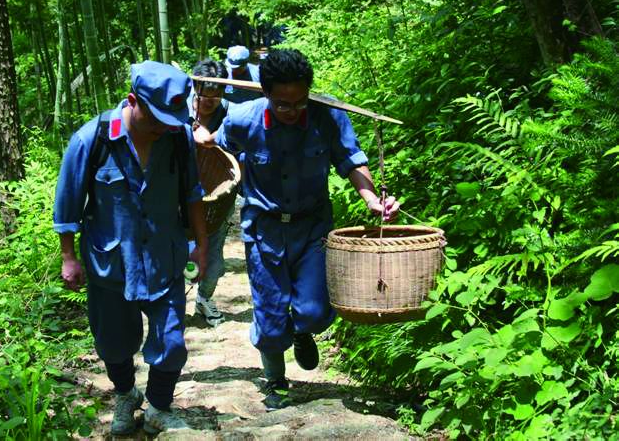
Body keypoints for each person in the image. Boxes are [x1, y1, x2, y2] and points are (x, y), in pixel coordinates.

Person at [193, 49, 400, 411]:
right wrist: (202, 142)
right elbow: (216, 149)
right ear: (265, 94)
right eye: (282, 105)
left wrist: (371, 199)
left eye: (299, 102)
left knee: (316, 311)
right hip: (264, 231)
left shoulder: (328, 116)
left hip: (313, 228)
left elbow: (351, 159)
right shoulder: (243, 119)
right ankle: (275, 381)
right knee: (271, 318)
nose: (291, 111)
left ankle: (303, 331)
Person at [53, 61, 208, 435]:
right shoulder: (92, 139)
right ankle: (126, 394)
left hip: (164, 259)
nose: (163, 127)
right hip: (112, 265)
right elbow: (68, 202)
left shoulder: (177, 137)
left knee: (171, 343)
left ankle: (158, 406)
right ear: (132, 101)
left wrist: (202, 247)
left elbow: (192, 195)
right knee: (114, 345)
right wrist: (68, 256)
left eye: (171, 120)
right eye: (156, 118)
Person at [187, 59, 234, 327]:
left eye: (217, 94)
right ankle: (176, 297)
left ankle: (204, 297)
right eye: (206, 93)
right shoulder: (178, 107)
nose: (211, 100)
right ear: (195, 87)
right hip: (179, 194)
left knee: (213, 258)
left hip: (217, 196)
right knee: (181, 256)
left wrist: (213, 137)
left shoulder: (229, 112)